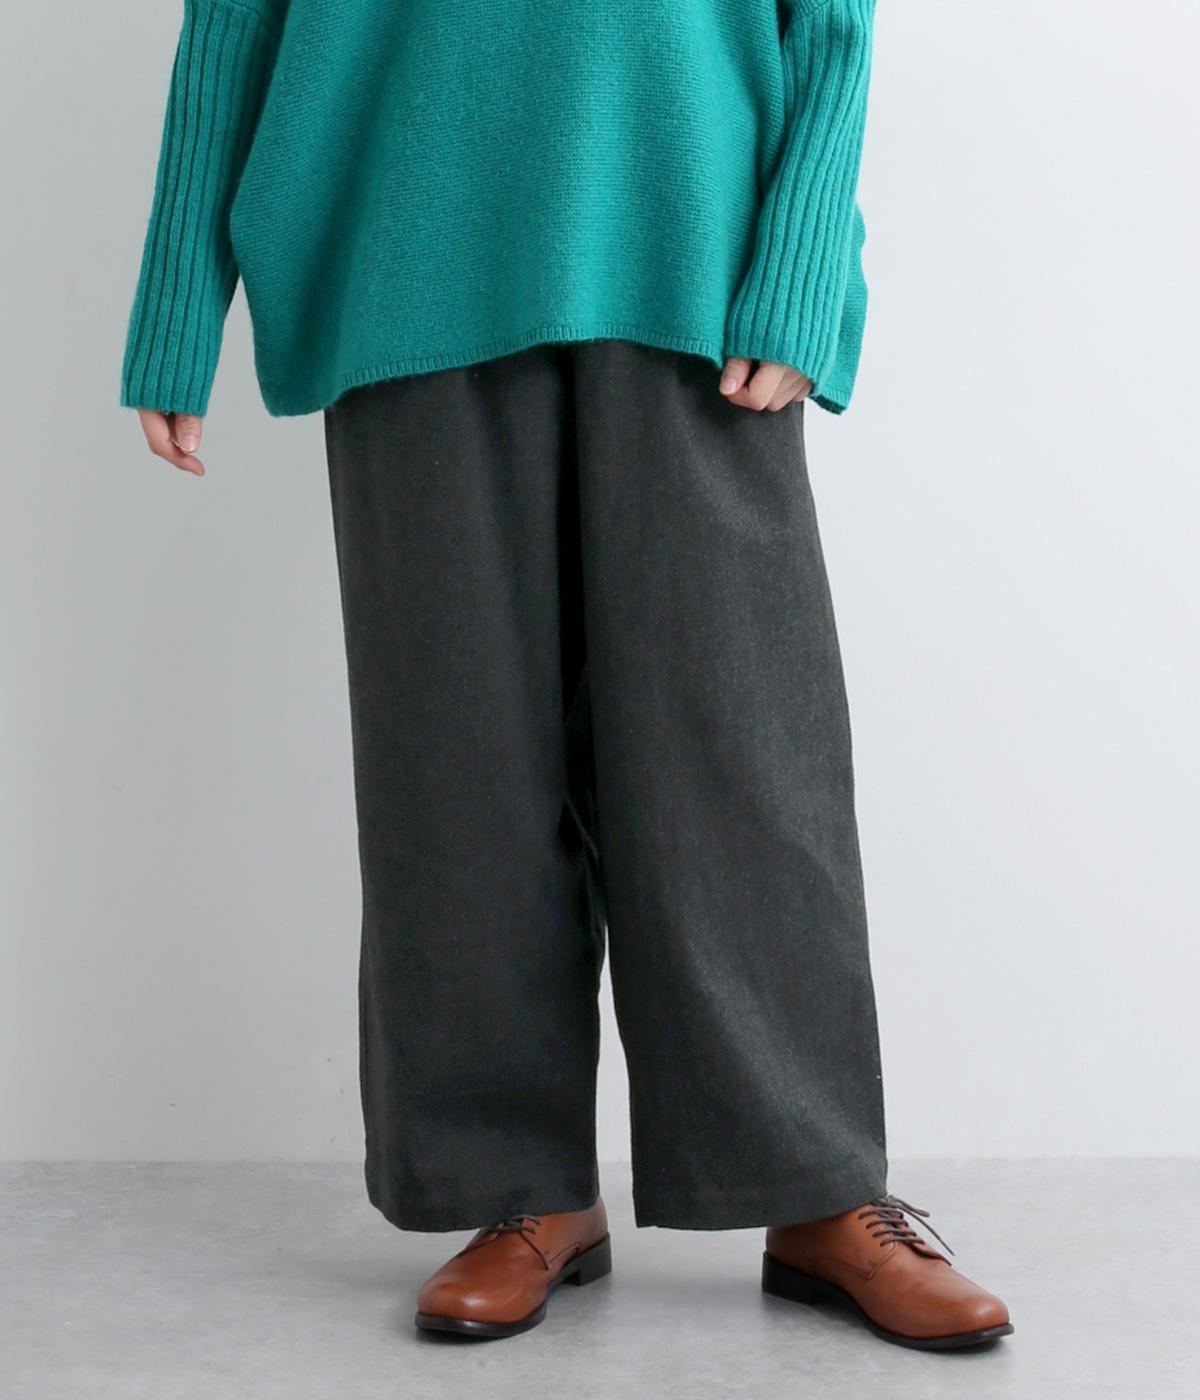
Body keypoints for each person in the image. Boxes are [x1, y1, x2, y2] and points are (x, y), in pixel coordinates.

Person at [121, 0, 1013, 1350]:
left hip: (690, 239)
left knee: (739, 756)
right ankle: (520, 1188)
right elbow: (230, 21)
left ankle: (816, 1188)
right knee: (458, 761)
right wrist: (177, 297)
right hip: (402, 239)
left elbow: (833, 22)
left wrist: (800, 259)